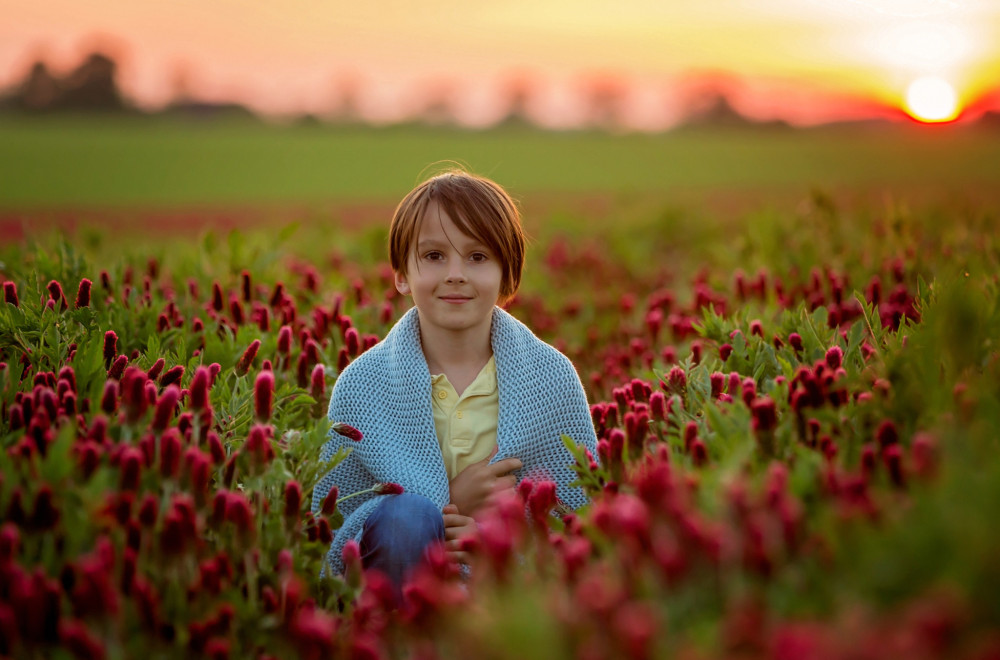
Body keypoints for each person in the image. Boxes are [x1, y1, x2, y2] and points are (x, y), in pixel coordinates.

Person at [312, 168, 598, 594]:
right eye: (433, 256)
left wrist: (497, 545)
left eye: (477, 257)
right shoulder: (362, 386)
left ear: (508, 275)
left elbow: (579, 520)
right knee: (406, 518)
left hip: (507, 596)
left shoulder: (551, 380)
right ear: (401, 275)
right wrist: (450, 504)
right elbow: (334, 521)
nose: (455, 274)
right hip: (399, 594)